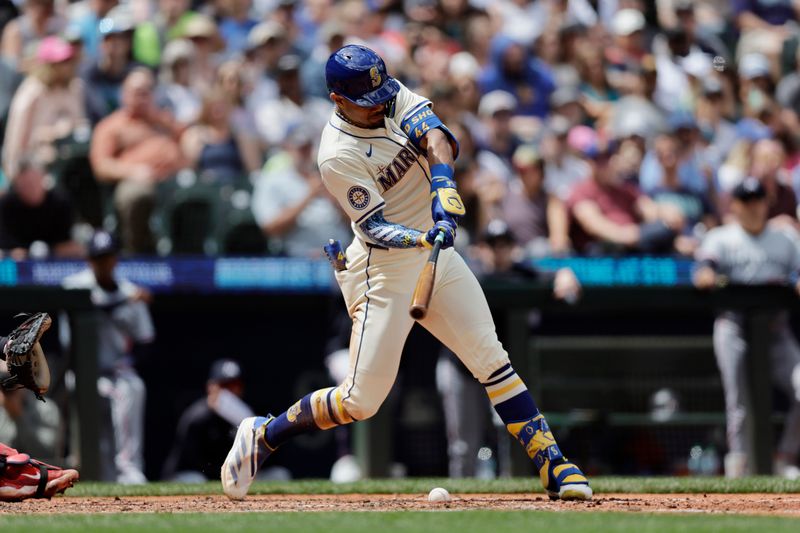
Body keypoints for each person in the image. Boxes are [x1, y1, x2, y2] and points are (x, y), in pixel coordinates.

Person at [222, 45, 591, 502]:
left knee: (491, 359)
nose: (379, 104)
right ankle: (264, 434)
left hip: (437, 251)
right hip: (385, 268)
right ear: (339, 99)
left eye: (382, 93)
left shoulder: (387, 94)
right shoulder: (336, 153)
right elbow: (373, 226)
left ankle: (553, 463)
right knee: (361, 400)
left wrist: (443, 185)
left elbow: (437, 137)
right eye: (366, 100)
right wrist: (422, 237)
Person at [693, 178, 800, 480]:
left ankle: (786, 456)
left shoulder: (786, 238)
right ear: (735, 205)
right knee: (737, 402)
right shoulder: (721, 237)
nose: (754, 206)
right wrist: (705, 275)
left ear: (766, 203)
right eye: (747, 200)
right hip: (733, 325)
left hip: (777, 330)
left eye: (758, 200)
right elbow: (703, 270)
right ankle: (738, 468)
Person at [62, 230, 155, 484]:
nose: (104, 263)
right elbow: (68, 342)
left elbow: (146, 341)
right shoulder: (75, 287)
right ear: (89, 260)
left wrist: (129, 362)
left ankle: (128, 468)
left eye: (108, 257)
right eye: (98, 258)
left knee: (132, 387)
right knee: (98, 407)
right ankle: (86, 469)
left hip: (116, 370)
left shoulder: (129, 291)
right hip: (83, 372)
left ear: (116, 259)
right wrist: (125, 300)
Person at [89, 68, 187, 254]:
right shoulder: (111, 126)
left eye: (147, 92)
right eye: (137, 92)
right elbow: (101, 166)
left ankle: (188, 257)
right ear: (124, 94)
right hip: (136, 183)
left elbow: (188, 139)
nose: (143, 97)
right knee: (136, 196)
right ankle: (138, 254)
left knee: (193, 197)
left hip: (174, 182)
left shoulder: (162, 120)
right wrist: (133, 171)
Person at [2, 35, 88, 179]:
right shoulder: (31, 93)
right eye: (62, 62)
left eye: (69, 60)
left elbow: (80, 124)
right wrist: (15, 176)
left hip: (71, 162)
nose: (68, 66)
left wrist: (62, 131)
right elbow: (16, 140)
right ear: (48, 66)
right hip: (35, 166)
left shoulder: (75, 88)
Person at [161, 359, 254, 481]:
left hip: (228, 476)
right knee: (196, 479)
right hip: (188, 475)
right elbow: (190, 460)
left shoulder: (246, 415)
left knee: (277, 474)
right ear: (211, 387)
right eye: (224, 386)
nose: (229, 392)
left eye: (234, 385)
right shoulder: (197, 416)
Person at [0, 159, 82, 259]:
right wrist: (14, 252)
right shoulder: (6, 205)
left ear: (43, 179)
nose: (32, 188)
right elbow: (5, 245)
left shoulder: (60, 202)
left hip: (55, 261)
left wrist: (54, 249)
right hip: (19, 263)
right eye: (27, 184)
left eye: (34, 182)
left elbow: (68, 243)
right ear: (17, 184)